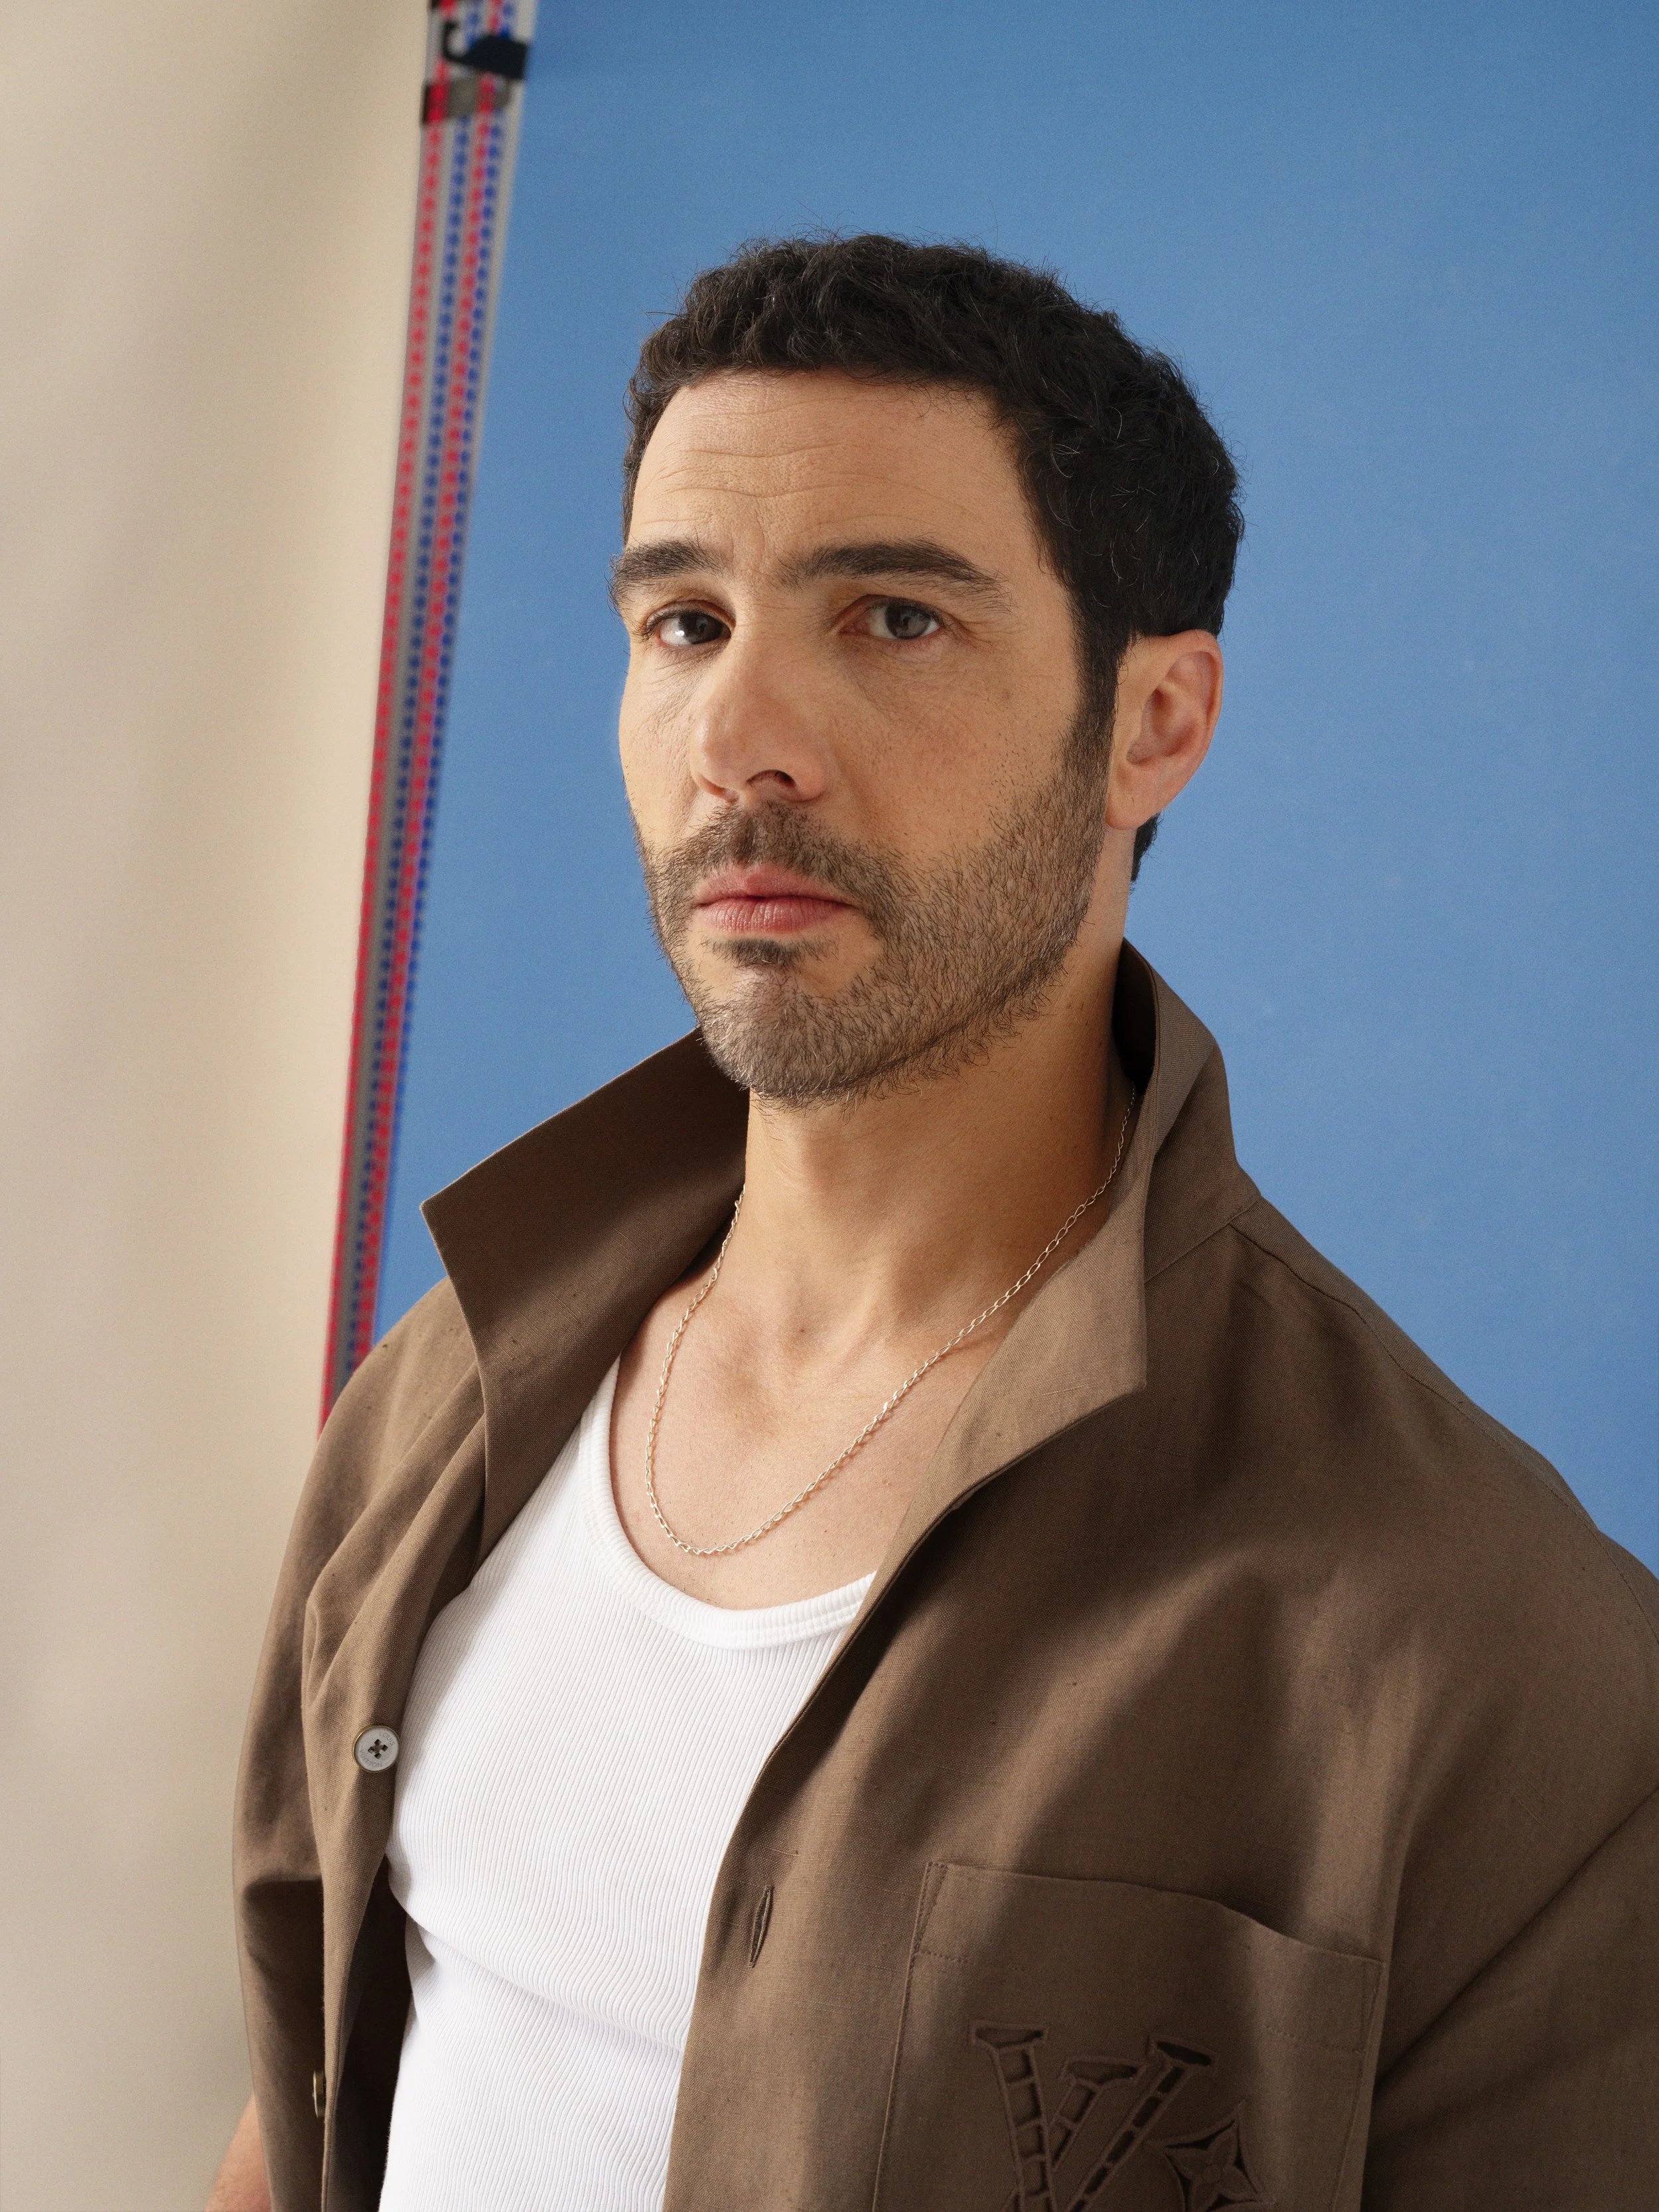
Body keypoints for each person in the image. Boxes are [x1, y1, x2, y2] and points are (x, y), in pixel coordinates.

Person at [209, 235, 1659, 2212]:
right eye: (684, 623)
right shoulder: (460, 1382)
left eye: (889, 616)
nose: (739, 742)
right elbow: (301, 2129)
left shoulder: (1480, 1637)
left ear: (1154, 720)